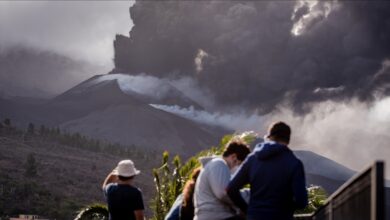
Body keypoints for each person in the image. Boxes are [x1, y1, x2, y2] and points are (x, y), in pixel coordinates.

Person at [227, 121, 308, 220]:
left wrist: (248, 210)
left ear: (269, 137)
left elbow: (231, 189)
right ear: (288, 140)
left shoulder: (253, 159)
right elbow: (301, 201)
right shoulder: (294, 163)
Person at [194, 140, 251, 220]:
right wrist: (245, 204)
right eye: (239, 164)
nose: (238, 169)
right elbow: (223, 193)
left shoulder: (218, 166)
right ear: (234, 157)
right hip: (216, 216)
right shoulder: (219, 164)